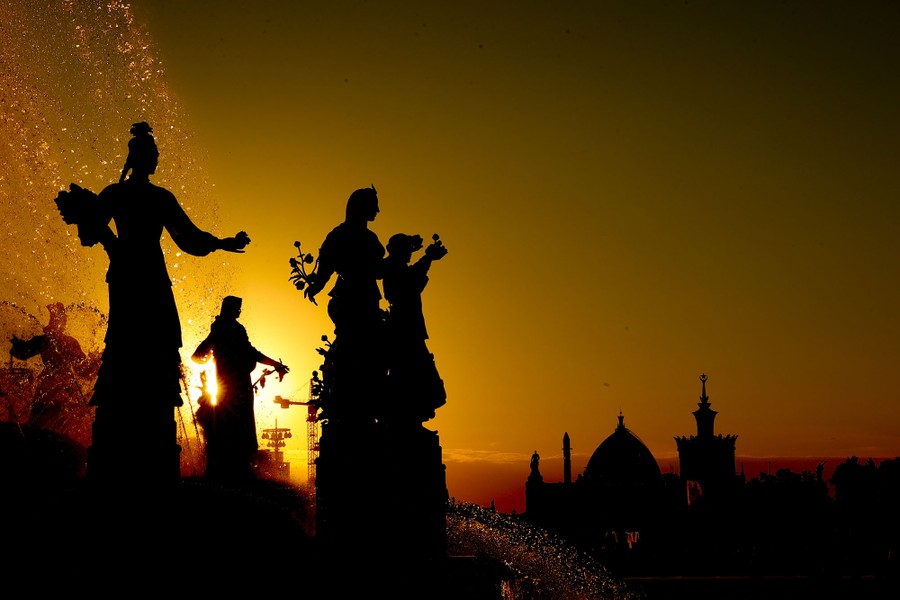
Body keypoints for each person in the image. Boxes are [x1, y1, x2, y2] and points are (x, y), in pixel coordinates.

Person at [54, 121, 251, 485]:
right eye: (154, 154)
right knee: (139, 340)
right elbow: (187, 239)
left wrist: (221, 242)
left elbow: (185, 236)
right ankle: (141, 416)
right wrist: (221, 243)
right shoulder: (151, 197)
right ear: (141, 158)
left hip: (130, 274)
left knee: (132, 340)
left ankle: (129, 413)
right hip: (146, 276)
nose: (157, 159)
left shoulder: (121, 194)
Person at [303, 186, 387, 424]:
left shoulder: (366, 237)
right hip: (351, 298)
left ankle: (362, 399)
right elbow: (327, 266)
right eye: (374, 205)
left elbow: (379, 270)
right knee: (354, 350)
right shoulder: (343, 235)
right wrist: (317, 283)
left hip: (365, 297)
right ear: (362, 206)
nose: (378, 211)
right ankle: (349, 400)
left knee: (369, 351)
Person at [191, 295, 288, 481]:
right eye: (237, 307)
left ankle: (223, 465)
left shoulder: (219, 328)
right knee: (240, 424)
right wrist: (275, 364)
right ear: (229, 308)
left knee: (226, 423)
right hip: (238, 385)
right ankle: (237, 468)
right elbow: (251, 352)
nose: (239, 311)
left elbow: (200, 354)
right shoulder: (233, 328)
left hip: (223, 385)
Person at [9, 302, 99, 446]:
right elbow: (83, 370)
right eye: (58, 318)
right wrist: (94, 362)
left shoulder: (49, 340)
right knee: (53, 427)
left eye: (59, 318)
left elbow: (21, 353)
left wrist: (15, 344)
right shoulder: (62, 341)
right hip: (61, 389)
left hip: (52, 388)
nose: (60, 321)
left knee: (42, 424)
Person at [381, 233, 448, 425]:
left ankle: (410, 417)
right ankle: (407, 418)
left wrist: (426, 257)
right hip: (405, 329)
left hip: (408, 328)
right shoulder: (393, 269)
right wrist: (427, 258)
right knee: (414, 377)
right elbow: (411, 283)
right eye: (407, 249)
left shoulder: (396, 268)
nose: (410, 253)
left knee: (416, 377)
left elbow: (412, 279)